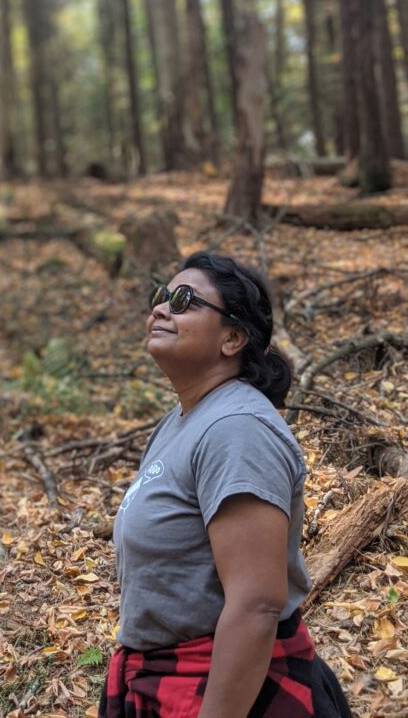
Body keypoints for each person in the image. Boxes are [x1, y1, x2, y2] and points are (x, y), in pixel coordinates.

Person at [101, 251, 352, 718]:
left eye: (184, 300)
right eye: (161, 297)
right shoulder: (183, 421)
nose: (160, 309)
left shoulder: (238, 428)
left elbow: (257, 604)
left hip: (227, 692)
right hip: (164, 681)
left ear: (233, 338)